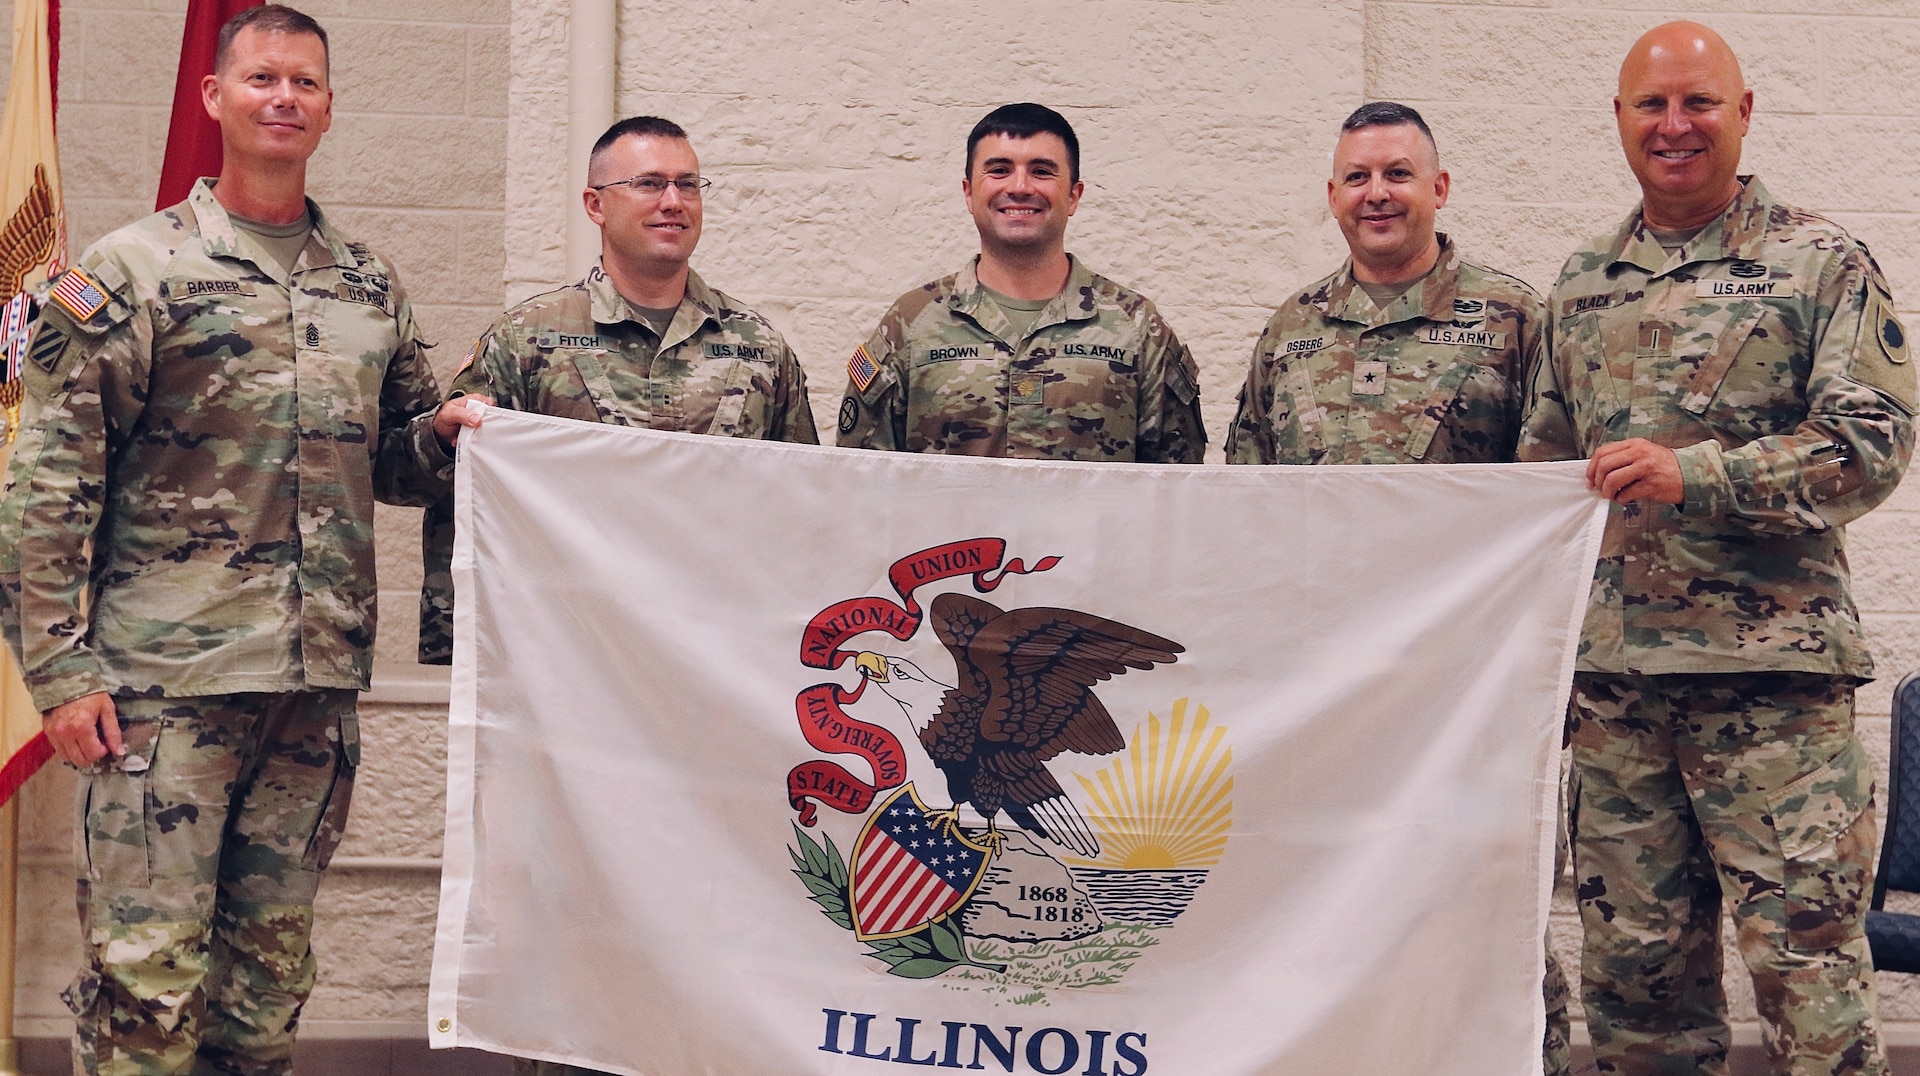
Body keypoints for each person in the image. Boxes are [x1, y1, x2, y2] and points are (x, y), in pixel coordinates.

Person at [0, 6, 446, 1073]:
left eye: (305, 82)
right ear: (216, 98)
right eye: (261, 78)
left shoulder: (369, 285)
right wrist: (59, 678)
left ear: (329, 108)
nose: (283, 97)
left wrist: (469, 428)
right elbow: (49, 484)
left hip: (311, 691)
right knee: (147, 990)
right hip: (161, 692)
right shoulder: (132, 271)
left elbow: (401, 460)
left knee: (265, 990)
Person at [1519, 21, 1915, 1075]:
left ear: (1745, 114)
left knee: (1808, 976)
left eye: (1699, 102)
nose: (1675, 124)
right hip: (1618, 700)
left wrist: (1700, 471)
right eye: (1652, 105)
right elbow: (1542, 484)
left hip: (1773, 691)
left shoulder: (1818, 259)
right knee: (1636, 987)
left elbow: (1871, 445)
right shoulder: (1585, 278)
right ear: (1619, 120)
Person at [1224, 100, 1569, 1076]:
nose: (1378, 193)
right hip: (1323, 695)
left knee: (1485, 909)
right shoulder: (1291, 332)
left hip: (1469, 693)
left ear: (1438, 188)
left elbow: (1559, 494)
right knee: (1321, 902)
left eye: (1398, 174)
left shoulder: (1514, 321)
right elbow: (1244, 499)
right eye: (1358, 177)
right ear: (1333, 196)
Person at [418, 115, 819, 668]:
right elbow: (447, 489)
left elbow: (803, 505)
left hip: (719, 657)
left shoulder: (760, 349)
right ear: (595, 204)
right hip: (567, 654)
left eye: (688, 184)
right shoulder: (527, 340)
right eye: (650, 184)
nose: (674, 201)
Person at [835, 102, 1204, 463]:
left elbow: (1179, 495)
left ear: (1074, 195)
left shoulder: (1136, 328)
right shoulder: (912, 322)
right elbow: (859, 480)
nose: (1020, 186)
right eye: (999, 170)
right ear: (968, 192)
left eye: (1042, 171)